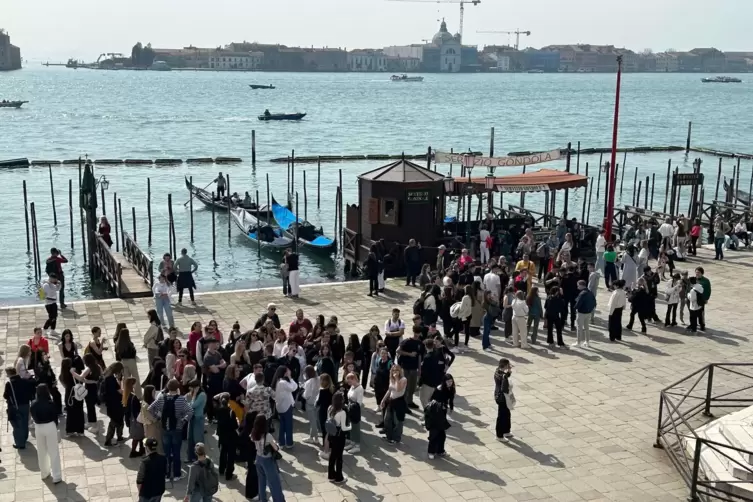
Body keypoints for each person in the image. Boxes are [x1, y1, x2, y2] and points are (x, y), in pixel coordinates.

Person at [148, 378, 194, 481]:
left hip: (165, 428)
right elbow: (190, 411)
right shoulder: (181, 399)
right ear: (177, 388)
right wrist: (183, 420)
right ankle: (177, 474)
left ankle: (167, 475)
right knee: (177, 452)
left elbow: (150, 408)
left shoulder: (161, 398)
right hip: (177, 429)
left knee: (167, 453)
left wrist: (158, 417)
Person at [30, 384, 62, 483]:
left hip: (38, 427)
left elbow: (33, 416)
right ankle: (56, 476)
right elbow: (55, 417)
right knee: (53, 452)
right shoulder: (50, 403)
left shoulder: (34, 404)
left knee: (41, 451)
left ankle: (44, 473)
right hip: (50, 426)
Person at [251, 414, 287, 502]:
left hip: (258, 458)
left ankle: (262, 499)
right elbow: (276, 448)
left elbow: (252, 440)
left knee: (261, 481)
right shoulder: (267, 435)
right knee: (274, 483)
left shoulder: (253, 432)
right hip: (267, 460)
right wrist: (275, 443)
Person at [4, 366, 35, 449]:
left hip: (15, 407)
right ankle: (25, 437)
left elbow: (5, 396)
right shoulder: (24, 381)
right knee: (25, 421)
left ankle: (20, 443)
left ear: (8, 374)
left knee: (17, 425)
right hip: (26, 404)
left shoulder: (9, 384)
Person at [326, 392, 351, 485]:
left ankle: (331, 475)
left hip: (332, 434)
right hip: (339, 436)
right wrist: (350, 426)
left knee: (332, 455)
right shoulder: (342, 412)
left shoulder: (330, 408)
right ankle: (339, 477)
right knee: (339, 457)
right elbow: (344, 427)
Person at [381, 364, 407, 445]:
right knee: (387, 419)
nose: (395, 372)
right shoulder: (391, 379)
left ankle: (396, 438)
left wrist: (396, 379)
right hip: (391, 400)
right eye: (393, 371)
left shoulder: (403, 379)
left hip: (399, 402)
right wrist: (383, 400)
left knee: (397, 421)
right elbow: (389, 390)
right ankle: (389, 436)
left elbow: (398, 389)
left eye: (397, 370)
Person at [398, 325, 423, 410]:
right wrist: (409, 354)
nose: (417, 334)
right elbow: (398, 351)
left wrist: (419, 368)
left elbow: (419, 356)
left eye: (418, 333)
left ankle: (410, 401)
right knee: (406, 386)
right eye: (416, 332)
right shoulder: (406, 341)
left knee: (412, 387)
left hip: (414, 367)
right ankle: (404, 404)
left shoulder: (420, 343)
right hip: (405, 367)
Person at [273, 366, 298, 448]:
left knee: (282, 425)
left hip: (280, 406)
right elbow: (294, 387)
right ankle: (289, 443)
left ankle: (281, 442)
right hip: (286, 406)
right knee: (288, 425)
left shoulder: (278, 381)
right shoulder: (283, 382)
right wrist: (290, 378)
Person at [214, 396, 239, 481]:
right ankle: (229, 474)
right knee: (231, 455)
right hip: (231, 436)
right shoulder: (231, 412)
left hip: (222, 435)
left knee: (223, 453)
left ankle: (221, 470)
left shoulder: (219, 410)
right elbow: (235, 426)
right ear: (229, 401)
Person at [60, 358, 85, 436]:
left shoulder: (62, 375)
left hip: (69, 395)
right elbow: (81, 380)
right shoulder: (75, 372)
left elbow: (64, 385)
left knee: (70, 413)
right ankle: (80, 431)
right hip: (77, 394)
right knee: (79, 411)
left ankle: (70, 430)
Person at [424, 385, 451, 459]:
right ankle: (431, 452)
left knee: (442, 436)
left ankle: (440, 451)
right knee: (433, 437)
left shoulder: (442, 403)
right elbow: (428, 414)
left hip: (441, 422)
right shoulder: (434, 404)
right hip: (434, 423)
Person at [115, 328, 142, 398]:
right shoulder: (129, 343)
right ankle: (138, 395)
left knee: (126, 379)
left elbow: (117, 354)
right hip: (131, 361)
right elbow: (133, 352)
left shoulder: (118, 344)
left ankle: (128, 395)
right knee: (135, 378)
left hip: (123, 362)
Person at [136, 437, 166, 502]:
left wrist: (139, 492)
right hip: (159, 491)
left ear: (147, 448)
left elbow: (139, 480)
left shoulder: (144, 462)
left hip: (146, 493)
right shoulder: (163, 458)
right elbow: (165, 473)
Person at [418, 339, 445, 408]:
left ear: (426, 347)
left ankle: (428, 415)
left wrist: (420, 382)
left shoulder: (427, 357)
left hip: (428, 382)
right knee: (430, 398)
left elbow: (424, 372)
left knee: (423, 398)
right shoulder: (436, 354)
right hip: (435, 381)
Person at [123, 377, 146, 457]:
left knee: (139, 436)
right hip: (136, 420)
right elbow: (136, 410)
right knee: (138, 436)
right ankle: (133, 452)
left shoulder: (125, 394)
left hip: (129, 419)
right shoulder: (133, 397)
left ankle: (141, 449)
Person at [494, 358, 515, 441]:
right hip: (502, 398)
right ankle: (499, 435)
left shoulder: (497, 371)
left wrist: (509, 371)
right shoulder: (503, 376)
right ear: (506, 365)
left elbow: (505, 375)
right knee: (502, 416)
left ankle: (506, 430)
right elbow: (504, 389)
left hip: (497, 395)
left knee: (506, 413)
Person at [574, 280, 596, 348]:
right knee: (587, 328)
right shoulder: (590, 292)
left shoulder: (582, 293)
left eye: (578, 285)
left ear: (581, 285)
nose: (577, 287)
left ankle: (578, 342)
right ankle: (587, 341)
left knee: (579, 328)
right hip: (588, 312)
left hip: (581, 313)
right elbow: (594, 302)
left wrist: (574, 308)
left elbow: (578, 303)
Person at [345, 372, 363, 454]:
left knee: (356, 428)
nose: (349, 383)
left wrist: (351, 405)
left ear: (354, 379)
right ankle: (352, 442)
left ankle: (357, 445)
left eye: (349, 381)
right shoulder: (352, 386)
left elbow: (359, 402)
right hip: (350, 408)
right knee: (351, 426)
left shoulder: (359, 388)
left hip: (355, 410)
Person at [302, 366, 320, 444]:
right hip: (318, 402)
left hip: (310, 402)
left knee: (313, 422)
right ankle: (311, 437)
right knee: (315, 420)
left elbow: (306, 395)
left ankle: (315, 439)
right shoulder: (319, 379)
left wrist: (302, 393)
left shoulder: (309, 382)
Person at [695, 267, 711, 331]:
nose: (697, 274)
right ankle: (694, 324)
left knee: (701, 313)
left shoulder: (706, 281)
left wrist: (706, 299)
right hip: (694, 299)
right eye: (696, 272)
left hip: (701, 300)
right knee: (694, 312)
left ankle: (702, 325)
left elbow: (708, 291)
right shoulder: (694, 280)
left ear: (702, 273)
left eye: (698, 272)